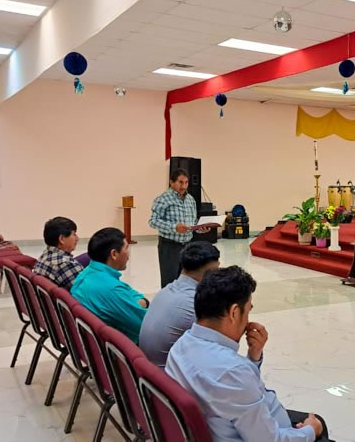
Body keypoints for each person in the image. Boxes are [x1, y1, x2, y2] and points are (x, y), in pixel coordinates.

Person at [166, 266, 334, 442]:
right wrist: (310, 431)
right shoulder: (233, 371)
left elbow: (231, 392)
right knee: (318, 424)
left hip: (228, 427)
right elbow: (270, 440)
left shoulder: (180, 346)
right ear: (234, 312)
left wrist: (254, 357)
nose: (248, 321)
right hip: (265, 434)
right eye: (247, 311)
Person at [139, 241, 221, 367]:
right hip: (166, 375)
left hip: (148, 370)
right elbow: (217, 350)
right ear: (210, 272)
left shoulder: (166, 290)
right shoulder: (194, 304)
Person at [71, 227, 148, 344]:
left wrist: (135, 302)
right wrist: (142, 302)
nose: (128, 254)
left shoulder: (85, 274)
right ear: (114, 254)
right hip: (126, 348)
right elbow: (146, 326)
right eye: (126, 248)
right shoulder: (113, 290)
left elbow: (129, 293)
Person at [149, 169, 212, 289]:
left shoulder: (190, 200)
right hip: (169, 246)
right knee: (169, 281)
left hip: (188, 246)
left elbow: (192, 222)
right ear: (171, 182)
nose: (183, 186)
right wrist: (174, 227)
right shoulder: (163, 199)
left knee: (187, 280)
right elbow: (153, 221)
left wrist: (200, 228)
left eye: (186, 182)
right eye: (180, 182)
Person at [33, 216, 84, 290]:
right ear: (62, 239)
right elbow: (87, 292)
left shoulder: (45, 255)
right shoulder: (65, 263)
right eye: (74, 234)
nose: (77, 239)